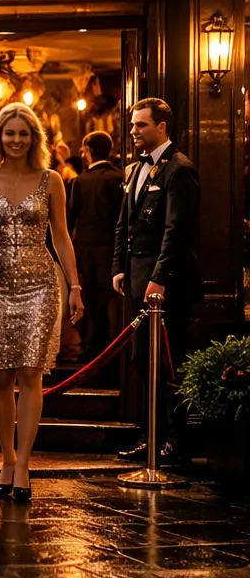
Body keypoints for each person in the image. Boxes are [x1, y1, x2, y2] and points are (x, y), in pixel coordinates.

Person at [0, 102, 84, 503]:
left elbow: (62, 237)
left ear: (35, 138)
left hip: (39, 283)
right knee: (0, 376)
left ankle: (24, 463)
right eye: (9, 132)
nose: (15, 140)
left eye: (23, 133)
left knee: (31, 374)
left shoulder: (51, 180)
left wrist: (75, 285)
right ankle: (6, 456)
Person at [112, 98, 201, 466]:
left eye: (141, 126)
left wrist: (160, 278)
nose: (134, 131)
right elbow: (124, 224)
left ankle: (176, 440)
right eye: (133, 125)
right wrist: (119, 266)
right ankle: (151, 436)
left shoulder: (179, 169)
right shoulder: (134, 169)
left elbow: (176, 231)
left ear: (162, 127)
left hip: (166, 285)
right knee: (140, 361)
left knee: (168, 361)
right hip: (135, 279)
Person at [69, 131, 124, 362]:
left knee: (90, 300)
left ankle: (90, 348)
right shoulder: (119, 177)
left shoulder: (80, 181)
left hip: (85, 250)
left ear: (89, 151)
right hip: (111, 248)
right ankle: (109, 348)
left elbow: (70, 217)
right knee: (110, 302)